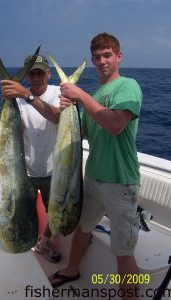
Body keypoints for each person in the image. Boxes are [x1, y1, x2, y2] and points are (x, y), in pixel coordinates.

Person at [49, 32, 142, 300]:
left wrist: (79, 94)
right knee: (83, 228)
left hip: (121, 181)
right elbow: (82, 130)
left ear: (119, 57)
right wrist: (62, 105)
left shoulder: (128, 86)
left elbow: (114, 125)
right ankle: (72, 268)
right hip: (92, 178)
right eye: (97, 57)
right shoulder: (96, 95)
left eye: (107, 55)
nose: (102, 61)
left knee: (123, 251)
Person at [1, 54, 61, 263]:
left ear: (48, 74)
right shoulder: (16, 100)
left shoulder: (57, 92)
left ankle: (44, 241)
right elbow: (15, 132)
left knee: (56, 214)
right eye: (32, 73)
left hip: (54, 171)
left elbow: (57, 116)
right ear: (27, 75)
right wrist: (9, 104)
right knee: (21, 209)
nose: (36, 77)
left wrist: (27, 96)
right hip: (24, 171)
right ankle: (25, 238)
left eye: (40, 73)